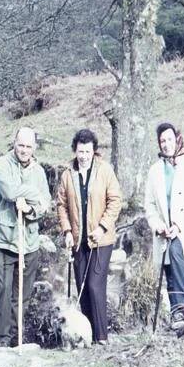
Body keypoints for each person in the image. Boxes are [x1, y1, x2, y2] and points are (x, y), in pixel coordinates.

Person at [56, 128, 122, 345]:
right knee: (82, 289)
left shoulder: (105, 171)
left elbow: (115, 201)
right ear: (75, 150)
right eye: (80, 151)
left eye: (87, 151)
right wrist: (67, 231)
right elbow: (62, 205)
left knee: (94, 285)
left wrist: (102, 227)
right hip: (77, 241)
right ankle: (88, 335)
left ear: (94, 151)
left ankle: (102, 336)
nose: (83, 156)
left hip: (101, 240)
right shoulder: (67, 174)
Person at [0, 127, 51, 348]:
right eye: (20, 145)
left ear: (34, 148)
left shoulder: (40, 172)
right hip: (5, 240)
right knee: (4, 292)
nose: (24, 150)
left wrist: (30, 210)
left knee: (22, 295)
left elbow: (46, 205)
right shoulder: (1, 165)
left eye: (28, 146)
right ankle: (2, 340)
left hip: (29, 242)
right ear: (14, 143)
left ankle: (17, 339)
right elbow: (9, 192)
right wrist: (32, 195)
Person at [145, 122, 184, 327]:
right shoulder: (155, 171)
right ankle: (177, 313)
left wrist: (179, 225)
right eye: (162, 141)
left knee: (174, 250)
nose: (166, 144)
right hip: (164, 229)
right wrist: (157, 225)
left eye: (169, 139)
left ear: (177, 139)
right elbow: (150, 205)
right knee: (168, 261)